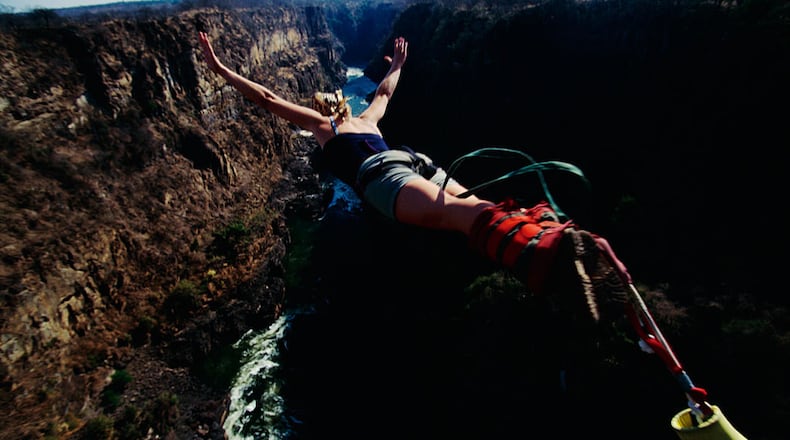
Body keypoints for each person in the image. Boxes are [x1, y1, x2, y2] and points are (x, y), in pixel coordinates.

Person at [197, 31, 628, 322]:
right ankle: (545, 258)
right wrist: (220, 71)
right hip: (385, 181)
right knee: (461, 216)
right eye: (325, 98)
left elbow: (384, 91)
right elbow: (269, 99)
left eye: (326, 97)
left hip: (408, 163)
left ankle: (554, 240)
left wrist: (398, 64)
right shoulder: (324, 126)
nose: (327, 99)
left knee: (482, 206)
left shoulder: (366, 119)